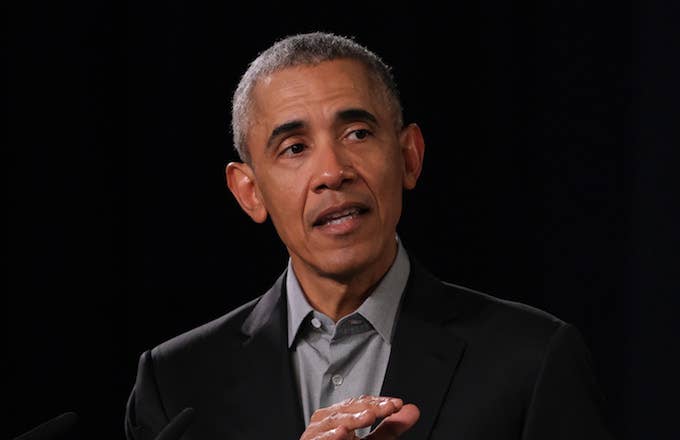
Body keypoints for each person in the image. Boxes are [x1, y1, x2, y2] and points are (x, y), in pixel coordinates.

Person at [125, 32, 612, 440]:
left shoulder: (532, 360)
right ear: (250, 191)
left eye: (357, 133)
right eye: (295, 147)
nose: (332, 172)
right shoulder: (177, 385)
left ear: (409, 157)